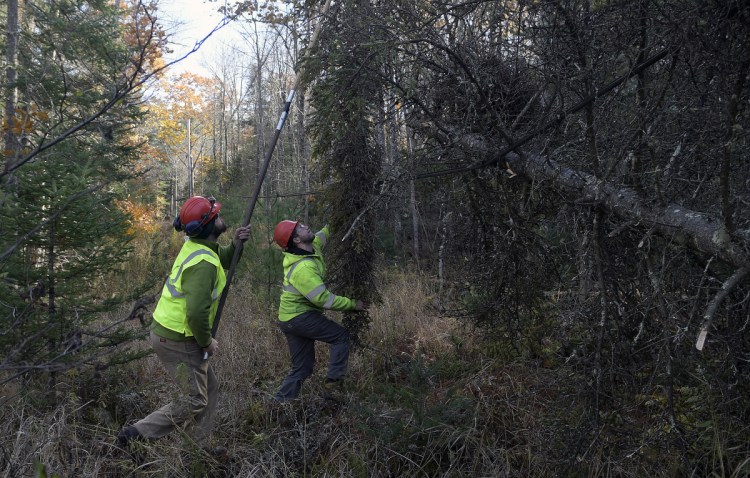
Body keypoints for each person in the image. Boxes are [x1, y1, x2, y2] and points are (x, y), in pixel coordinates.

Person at [117, 195, 250, 455]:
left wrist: (236, 245)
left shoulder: (199, 247)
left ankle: (197, 449)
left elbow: (222, 258)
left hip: (171, 333)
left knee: (208, 389)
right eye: (217, 215)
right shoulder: (202, 264)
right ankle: (135, 435)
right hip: (178, 338)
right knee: (195, 398)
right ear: (210, 226)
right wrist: (206, 342)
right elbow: (196, 313)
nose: (221, 217)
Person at [272, 220, 365, 402]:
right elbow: (323, 299)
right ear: (297, 240)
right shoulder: (303, 268)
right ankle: (334, 386)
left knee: (302, 368)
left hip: (289, 318)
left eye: (302, 224)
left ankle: (277, 405)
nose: (306, 226)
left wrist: (342, 219)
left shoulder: (312, 245)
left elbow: (326, 232)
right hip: (299, 317)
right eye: (300, 228)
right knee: (341, 336)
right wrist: (353, 305)